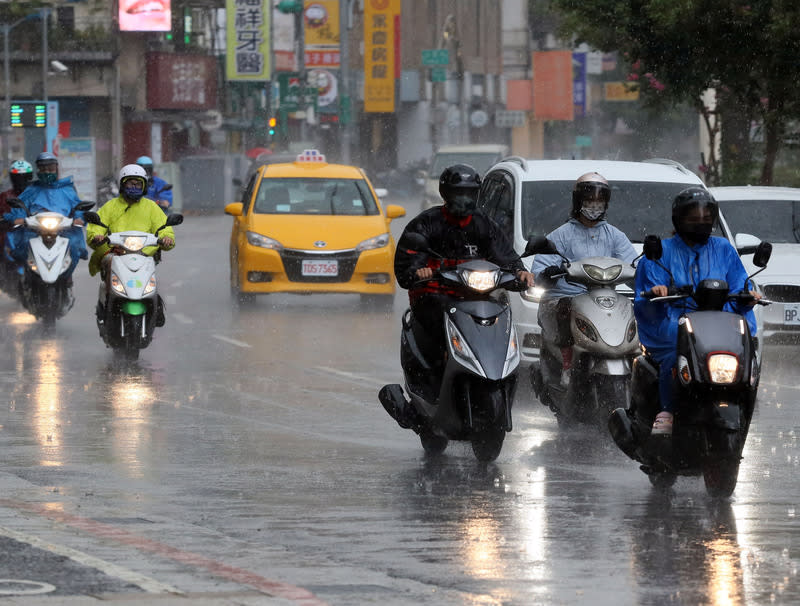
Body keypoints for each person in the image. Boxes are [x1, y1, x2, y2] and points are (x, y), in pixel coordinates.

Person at [634, 187, 760, 436]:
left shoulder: (723, 248)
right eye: (693, 218)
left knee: (745, 359)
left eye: (706, 218)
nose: (700, 223)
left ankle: (740, 406)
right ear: (678, 220)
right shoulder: (661, 252)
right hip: (674, 321)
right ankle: (667, 410)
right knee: (676, 352)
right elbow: (648, 291)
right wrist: (658, 290)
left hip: (720, 324)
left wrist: (749, 295)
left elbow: (740, 282)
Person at [395, 164, 534, 379]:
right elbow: (407, 264)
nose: (464, 200)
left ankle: (500, 370)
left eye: (469, 194)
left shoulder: (484, 224)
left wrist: (519, 272)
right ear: (445, 195)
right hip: (435, 296)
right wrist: (420, 271)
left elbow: (506, 257)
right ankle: (433, 378)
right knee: (433, 323)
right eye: (458, 194)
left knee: (502, 316)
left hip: (478, 296)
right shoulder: (426, 224)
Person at [532, 172, 637, 386]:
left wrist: (652, 280)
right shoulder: (560, 235)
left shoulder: (615, 236)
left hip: (604, 301)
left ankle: (634, 365)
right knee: (564, 307)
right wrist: (547, 274)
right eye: (590, 200)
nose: (594, 205)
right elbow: (539, 270)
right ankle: (567, 365)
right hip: (567, 299)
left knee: (632, 309)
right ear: (578, 201)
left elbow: (635, 265)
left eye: (599, 201)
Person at [86, 164, 175, 326]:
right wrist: (96, 236)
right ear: (122, 184)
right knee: (108, 262)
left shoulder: (151, 208)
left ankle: (155, 302)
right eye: (130, 183)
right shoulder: (110, 206)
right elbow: (97, 226)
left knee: (150, 271)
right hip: (116, 252)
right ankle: (106, 304)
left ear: (144, 186)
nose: (134, 187)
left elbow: (164, 227)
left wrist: (166, 238)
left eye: (138, 184)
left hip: (144, 253)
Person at [3, 152, 88, 281]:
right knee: (22, 247)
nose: (47, 171)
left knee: (74, 249)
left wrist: (79, 218)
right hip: (35, 231)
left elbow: (78, 208)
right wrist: (17, 218)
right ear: (38, 170)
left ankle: (66, 279)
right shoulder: (31, 190)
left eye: (50, 168)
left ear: (57, 168)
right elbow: (20, 207)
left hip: (63, 231)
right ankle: (28, 277)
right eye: (43, 169)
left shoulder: (67, 190)